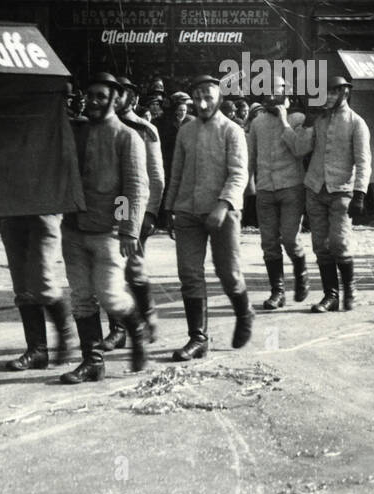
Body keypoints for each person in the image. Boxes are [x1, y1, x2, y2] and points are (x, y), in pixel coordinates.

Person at [58, 73, 149, 383]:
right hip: (73, 229)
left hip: (108, 233)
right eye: (91, 95)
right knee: (81, 297)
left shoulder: (127, 137)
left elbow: (133, 187)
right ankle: (92, 362)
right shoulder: (77, 132)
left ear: (116, 98)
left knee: (110, 296)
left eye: (101, 95)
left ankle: (135, 328)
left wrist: (126, 229)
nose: (94, 101)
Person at [162, 74, 252, 359]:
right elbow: (175, 172)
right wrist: (170, 208)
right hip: (187, 211)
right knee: (189, 274)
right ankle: (198, 338)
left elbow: (239, 174)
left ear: (219, 98)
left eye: (208, 96)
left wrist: (223, 206)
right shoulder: (185, 132)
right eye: (197, 97)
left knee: (228, 273)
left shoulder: (232, 131)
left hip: (221, 213)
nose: (202, 103)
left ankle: (244, 312)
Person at [287, 76, 371, 312]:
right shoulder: (320, 121)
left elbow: (364, 161)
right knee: (320, 246)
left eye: (334, 92)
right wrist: (308, 125)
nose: (329, 97)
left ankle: (350, 289)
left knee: (339, 243)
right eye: (326, 92)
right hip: (315, 189)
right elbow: (300, 149)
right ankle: (330, 295)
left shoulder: (356, 123)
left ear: (345, 93)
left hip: (341, 191)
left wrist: (360, 193)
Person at [98, 77, 163, 350]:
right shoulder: (100, 127)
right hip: (105, 209)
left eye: (123, 93)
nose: (117, 97)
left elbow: (156, 177)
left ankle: (147, 314)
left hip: (133, 207)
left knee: (132, 269)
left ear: (133, 99)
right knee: (110, 271)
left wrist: (149, 214)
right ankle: (118, 331)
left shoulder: (143, 129)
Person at [246, 79, 311, 309]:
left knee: (290, 239)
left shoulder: (297, 120)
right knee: (269, 243)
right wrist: (249, 183)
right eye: (268, 90)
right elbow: (250, 155)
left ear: (287, 93)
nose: (272, 94)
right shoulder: (257, 122)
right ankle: (278, 292)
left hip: (291, 187)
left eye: (277, 90)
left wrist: (284, 120)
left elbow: (299, 149)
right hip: (265, 188)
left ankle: (302, 275)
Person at [0, 214, 77, 371]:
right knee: (22, 287)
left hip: (45, 216)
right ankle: (37, 351)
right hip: (11, 218)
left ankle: (67, 335)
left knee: (41, 282)